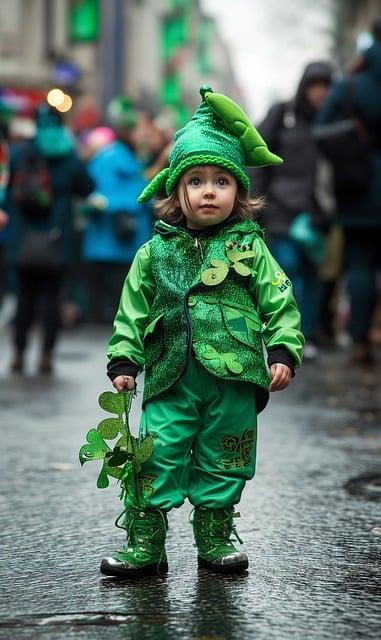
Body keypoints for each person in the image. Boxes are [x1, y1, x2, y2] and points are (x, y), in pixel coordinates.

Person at [100, 85, 304, 578]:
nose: (208, 191)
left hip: (235, 379)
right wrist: (124, 358)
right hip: (171, 373)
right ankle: (146, 540)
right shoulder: (155, 252)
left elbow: (279, 297)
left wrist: (282, 348)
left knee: (225, 455)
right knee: (156, 452)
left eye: (221, 181)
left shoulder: (251, 250)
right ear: (177, 191)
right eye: (195, 181)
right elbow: (132, 307)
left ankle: (215, 534)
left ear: (239, 192)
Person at [252, 62, 333, 359]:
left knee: (313, 275)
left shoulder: (330, 119)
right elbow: (257, 156)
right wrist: (256, 203)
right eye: (315, 85)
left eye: (326, 86)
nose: (321, 93)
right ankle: (289, 336)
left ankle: (306, 333)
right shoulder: (282, 114)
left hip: (316, 214)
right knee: (288, 272)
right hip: (280, 212)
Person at [6, 103, 94, 374]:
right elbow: (87, 187)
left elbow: (10, 190)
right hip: (58, 239)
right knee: (52, 298)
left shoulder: (21, 152)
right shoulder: (69, 155)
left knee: (25, 298)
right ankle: (46, 355)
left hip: (23, 238)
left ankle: (19, 353)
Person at [316, 21, 381, 365]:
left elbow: (321, 129)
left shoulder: (353, 85)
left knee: (359, 266)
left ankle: (360, 341)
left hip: (360, 187)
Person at [81, 97, 152, 324]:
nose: (144, 134)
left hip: (122, 241)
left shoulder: (129, 157)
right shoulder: (111, 158)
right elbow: (97, 194)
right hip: (114, 239)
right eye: (140, 129)